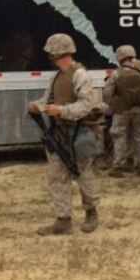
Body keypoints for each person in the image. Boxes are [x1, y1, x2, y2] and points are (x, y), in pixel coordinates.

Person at [27, 33, 100, 235]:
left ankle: (91, 213)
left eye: (52, 53)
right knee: (57, 177)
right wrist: (38, 107)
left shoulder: (80, 75)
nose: (50, 56)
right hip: (58, 134)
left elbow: (86, 105)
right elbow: (48, 99)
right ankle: (63, 220)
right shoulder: (57, 76)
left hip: (78, 133)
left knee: (82, 174)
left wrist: (62, 111)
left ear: (60, 52)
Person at [103, 45, 140, 178]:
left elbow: (107, 92)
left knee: (119, 137)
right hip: (139, 109)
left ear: (119, 58)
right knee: (139, 138)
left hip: (121, 111)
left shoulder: (116, 73)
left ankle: (118, 167)